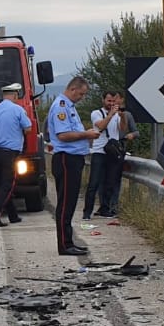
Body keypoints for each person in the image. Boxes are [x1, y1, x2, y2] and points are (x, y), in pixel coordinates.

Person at [46, 76, 100, 256]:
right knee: (65, 204)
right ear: (73, 89)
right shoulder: (61, 107)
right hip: (66, 159)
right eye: (81, 94)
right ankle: (64, 244)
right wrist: (86, 134)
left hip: (73, 158)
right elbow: (63, 135)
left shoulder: (69, 107)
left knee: (70, 203)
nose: (82, 97)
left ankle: (68, 241)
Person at [0, 82, 31, 227]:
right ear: (15, 95)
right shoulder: (18, 110)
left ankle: (13, 215)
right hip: (10, 153)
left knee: (1, 185)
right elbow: (28, 128)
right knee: (8, 186)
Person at [83, 90, 120, 220]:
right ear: (103, 100)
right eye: (109, 101)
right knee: (94, 183)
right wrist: (110, 114)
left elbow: (122, 129)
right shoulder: (96, 113)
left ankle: (105, 209)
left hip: (112, 152)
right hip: (99, 151)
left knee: (109, 183)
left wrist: (123, 115)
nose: (111, 103)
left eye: (113, 101)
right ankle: (87, 211)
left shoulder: (117, 115)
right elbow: (101, 127)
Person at [100, 97, 139, 217]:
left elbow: (136, 132)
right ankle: (104, 205)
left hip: (119, 148)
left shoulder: (126, 115)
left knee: (115, 179)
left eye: (117, 101)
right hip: (105, 148)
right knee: (103, 179)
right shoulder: (102, 113)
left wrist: (130, 135)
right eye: (112, 101)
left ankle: (113, 205)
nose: (115, 103)